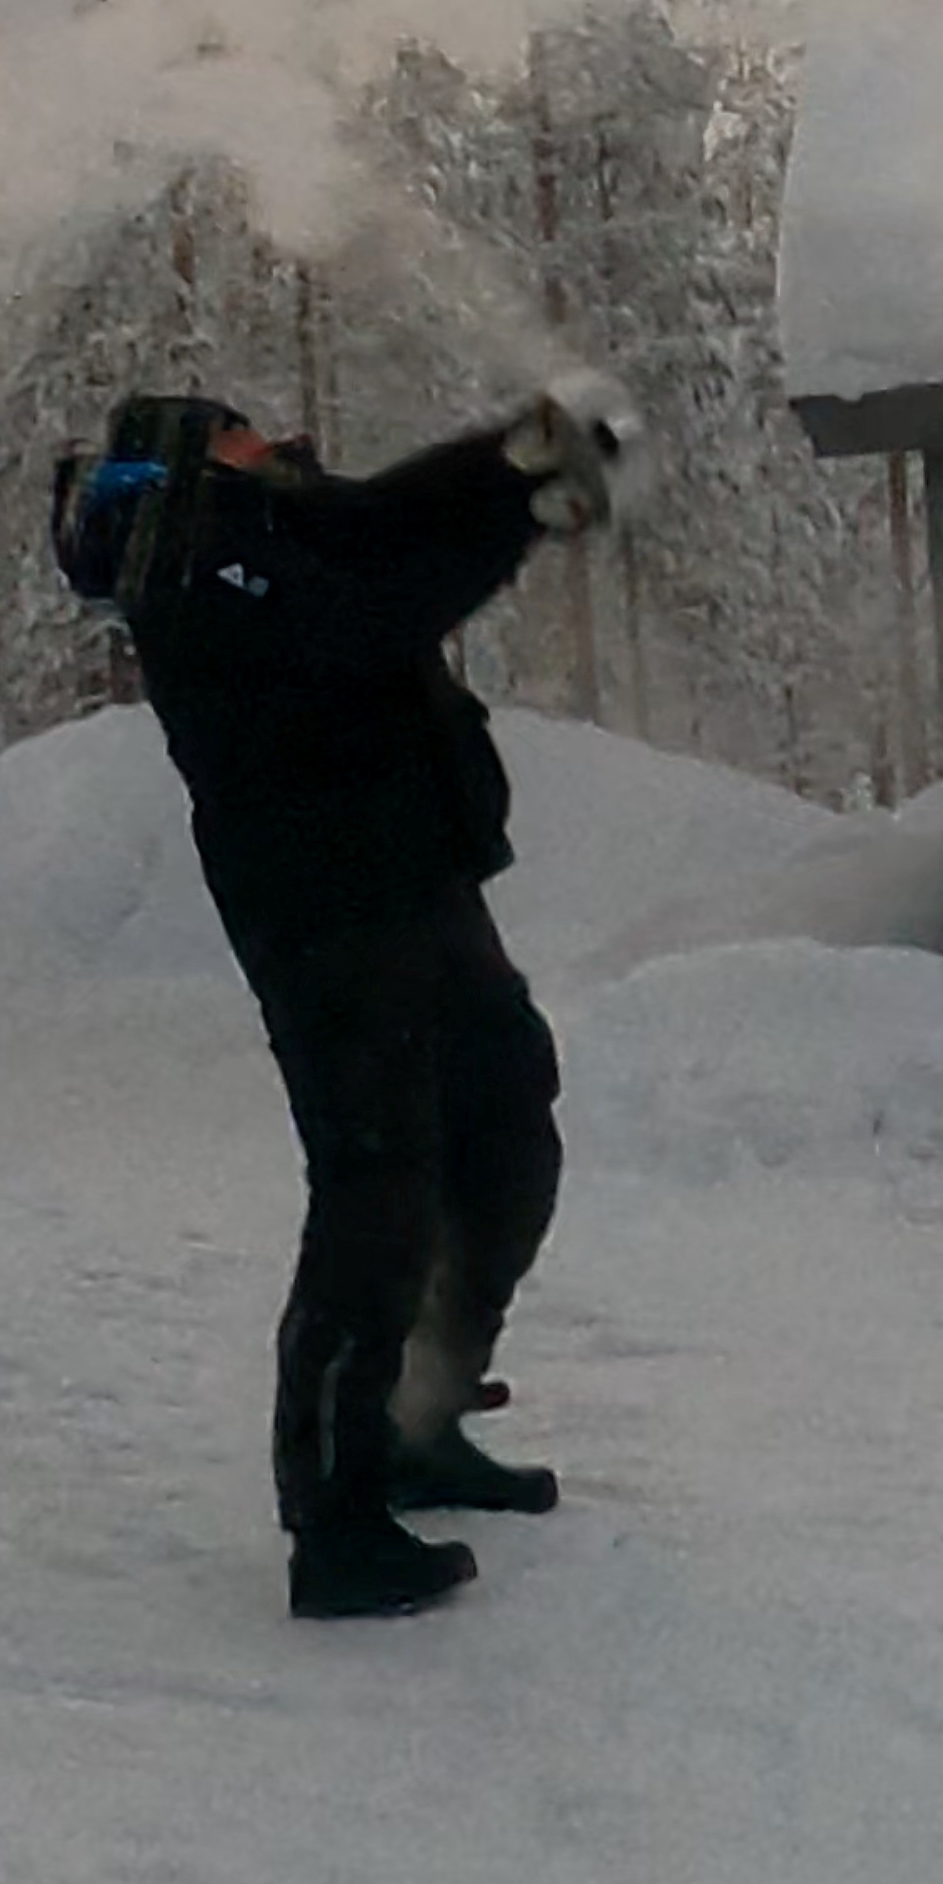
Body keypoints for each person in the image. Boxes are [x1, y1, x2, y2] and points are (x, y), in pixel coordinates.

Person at [61, 376, 634, 1619]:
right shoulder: (187, 563)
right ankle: (332, 1518)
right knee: (378, 1182)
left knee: (505, 1133)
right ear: (189, 456)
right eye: (240, 430)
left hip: (418, 882)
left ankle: (421, 1411)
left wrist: (514, 455)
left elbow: (384, 519)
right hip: (321, 912)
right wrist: (524, 515)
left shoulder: (269, 525)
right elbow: (373, 611)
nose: (271, 441)